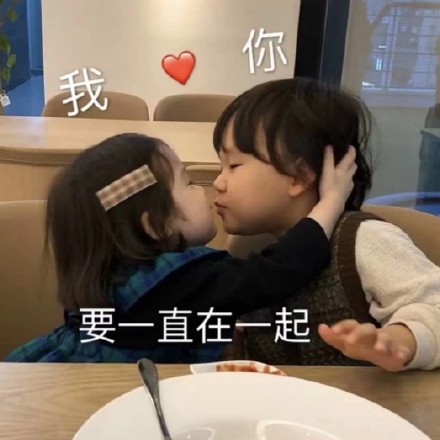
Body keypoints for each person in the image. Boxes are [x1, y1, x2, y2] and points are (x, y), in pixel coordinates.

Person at [5, 131, 356, 363]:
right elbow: (277, 271)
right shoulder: (181, 281)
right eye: (188, 182)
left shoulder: (113, 274)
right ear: (154, 225)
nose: (209, 186)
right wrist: (331, 202)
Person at [213, 77, 440, 372]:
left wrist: (401, 339)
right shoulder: (252, 252)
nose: (218, 183)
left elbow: (434, 305)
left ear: (299, 177)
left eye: (233, 166)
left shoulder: (363, 240)